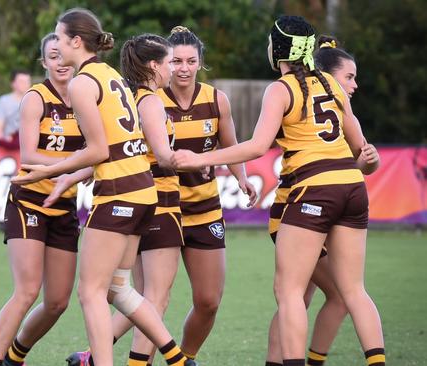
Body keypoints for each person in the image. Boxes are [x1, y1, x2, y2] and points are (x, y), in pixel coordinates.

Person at [171, 15, 385, 366]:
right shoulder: (332, 84)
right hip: (352, 187)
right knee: (353, 290)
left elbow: (257, 147)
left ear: (279, 49)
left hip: (312, 191)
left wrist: (198, 159)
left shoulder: (281, 88)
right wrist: (368, 164)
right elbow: (364, 154)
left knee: (289, 293)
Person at [11, 8, 194, 366]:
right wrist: (68, 175)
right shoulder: (109, 74)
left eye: (60, 38)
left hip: (118, 194)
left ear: (76, 42)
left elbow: (97, 150)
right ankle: (178, 357)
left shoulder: (82, 83)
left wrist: (50, 172)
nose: (56, 45)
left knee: (90, 292)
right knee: (120, 289)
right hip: (144, 191)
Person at [66, 33, 184, 366]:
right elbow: (159, 155)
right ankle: (172, 359)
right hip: (149, 196)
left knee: (109, 290)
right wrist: (203, 159)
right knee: (127, 291)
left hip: (129, 194)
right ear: (154, 65)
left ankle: (166, 358)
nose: (174, 70)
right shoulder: (146, 99)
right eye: (170, 62)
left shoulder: (120, 90)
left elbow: (106, 151)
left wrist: (66, 176)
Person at [265, 35, 381, 366]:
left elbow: (362, 159)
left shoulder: (326, 99)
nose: (354, 85)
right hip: (298, 206)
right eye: (349, 77)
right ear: (325, 76)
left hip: (321, 202)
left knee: (300, 296)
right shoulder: (299, 94)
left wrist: (367, 161)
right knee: (304, 295)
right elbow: (263, 143)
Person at [155, 26, 257, 362]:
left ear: (200, 63)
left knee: (209, 300)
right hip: (162, 210)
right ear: (165, 63)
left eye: (190, 61)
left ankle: (186, 357)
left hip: (205, 211)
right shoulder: (152, 100)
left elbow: (232, 147)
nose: (183, 68)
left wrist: (242, 179)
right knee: (152, 298)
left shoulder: (216, 100)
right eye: (176, 61)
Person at [0, 33, 83, 366]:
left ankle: (15, 356)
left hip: (64, 205)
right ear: (44, 62)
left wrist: (83, 168)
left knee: (57, 302)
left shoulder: (88, 99)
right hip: (29, 200)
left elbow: (99, 155)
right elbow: (29, 156)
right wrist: (77, 164)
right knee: (26, 291)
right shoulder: (35, 98)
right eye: (52, 56)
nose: (60, 61)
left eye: (63, 54)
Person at [0, 70, 32, 149]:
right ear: (13, 83)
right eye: (21, 81)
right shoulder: (4, 101)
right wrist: (3, 142)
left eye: (27, 81)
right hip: (8, 147)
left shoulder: (36, 101)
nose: (25, 84)